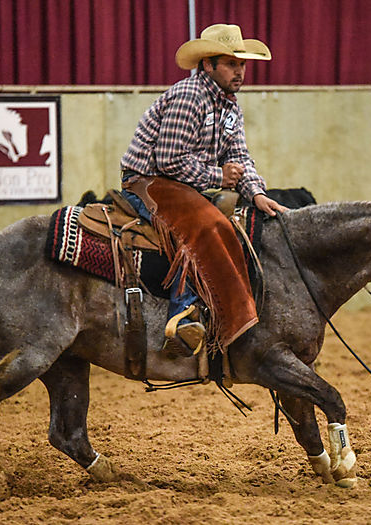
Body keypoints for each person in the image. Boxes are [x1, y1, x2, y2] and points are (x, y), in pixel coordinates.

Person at [120, 23, 286, 358]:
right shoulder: (188, 96)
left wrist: (255, 193)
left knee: (239, 220)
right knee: (204, 224)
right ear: (207, 65)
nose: (239, 71)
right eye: (230, 64)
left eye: (241, 64)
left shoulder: (229, 107)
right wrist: (218, 176)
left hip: (186, 184)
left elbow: (238, 156)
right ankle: (182, 317)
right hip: (148, 181)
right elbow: (168, 159)